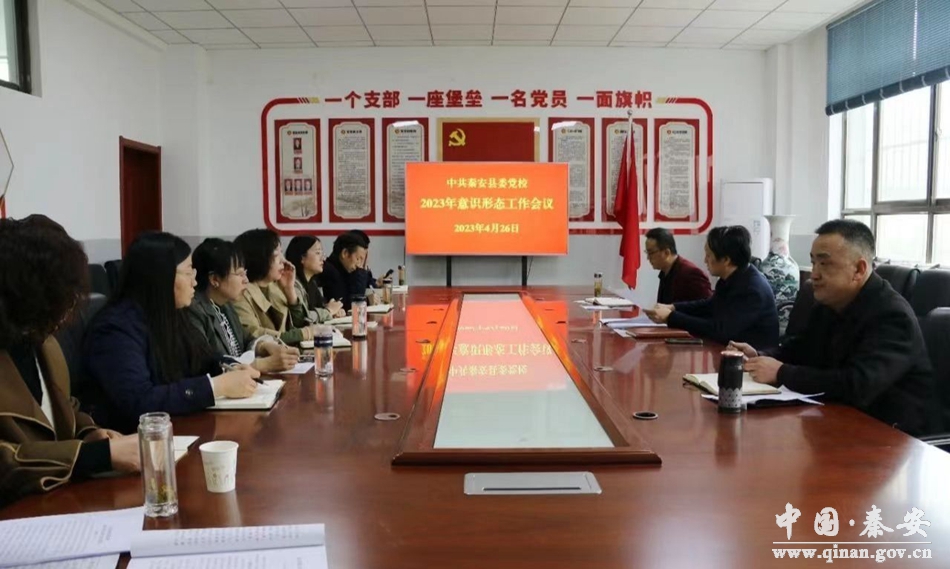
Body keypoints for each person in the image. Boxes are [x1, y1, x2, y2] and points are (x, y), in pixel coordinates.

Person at [731, 220, 936, 436]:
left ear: (859, 269)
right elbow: (802, 348)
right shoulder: (830, 304)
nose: (814, 274)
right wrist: (760, 356)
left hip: (894, 435)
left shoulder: (892, 316)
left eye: (824, 263)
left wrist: (781, 373)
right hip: (842, 420)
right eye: (813, 263)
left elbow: (858, 385)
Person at [0, 215, 140, 507]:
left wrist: (91, 434)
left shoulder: (44, 343)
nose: (69, 306)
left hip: (59, 501)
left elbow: (65, 406)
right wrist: (94, 456)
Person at [83, 233, 260, 434]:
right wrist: (214, 387)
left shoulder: (170, 314)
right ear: (161, 277)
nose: (195, 282)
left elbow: (203, 357)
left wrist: (230, 367)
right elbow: (139, 401)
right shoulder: (116, 328)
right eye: (188, 272)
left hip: (178, 428)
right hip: (136, 439)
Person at [645, 226, 779, 349]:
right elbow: (710, 305)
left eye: (708, 255)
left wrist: (671, 317)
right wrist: (673, 308)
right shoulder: (730, 278)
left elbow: (720, 331)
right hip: (727, 350)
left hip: (753, 358)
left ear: (726, 260)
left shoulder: (751, 289)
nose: (705, 260)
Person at [187, 238, 299, 373]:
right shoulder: (194, 311)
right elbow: (206, 366)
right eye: (240, 274)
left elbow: (245, 339)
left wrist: (263, 346)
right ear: (215, 279)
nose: (246, 280)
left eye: (245, 273)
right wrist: (260, 365)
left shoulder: (225, 305)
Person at [232, 229, 316, 345]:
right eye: (276, 255)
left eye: (281, 253)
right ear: (259, 259)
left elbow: (300, 323)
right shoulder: (240, 293)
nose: (283, 260)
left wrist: (289, 290)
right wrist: (303, 334)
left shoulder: (275, 286)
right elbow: (253, 335)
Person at [285, 235, 345, 323]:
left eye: (322, 253)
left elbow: (317, 311)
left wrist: (333, 310)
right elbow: (302, 318)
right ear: (302, 258)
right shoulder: (292, 284)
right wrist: (328, 311)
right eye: (317, 253)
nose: (323, 258)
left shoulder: (312, 284)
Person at [645, 227, 712, 304]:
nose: (648, 258)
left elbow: (708, 306)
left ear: (666, 253)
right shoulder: (665, 272)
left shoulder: (691, 274)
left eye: (651, 253)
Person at [321, 232, 368, 311]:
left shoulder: (343, 270)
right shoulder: (331, 272)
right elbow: (350, 307)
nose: (359, 265)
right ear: (345, 253)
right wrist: (360, 273)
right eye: (358, 259)